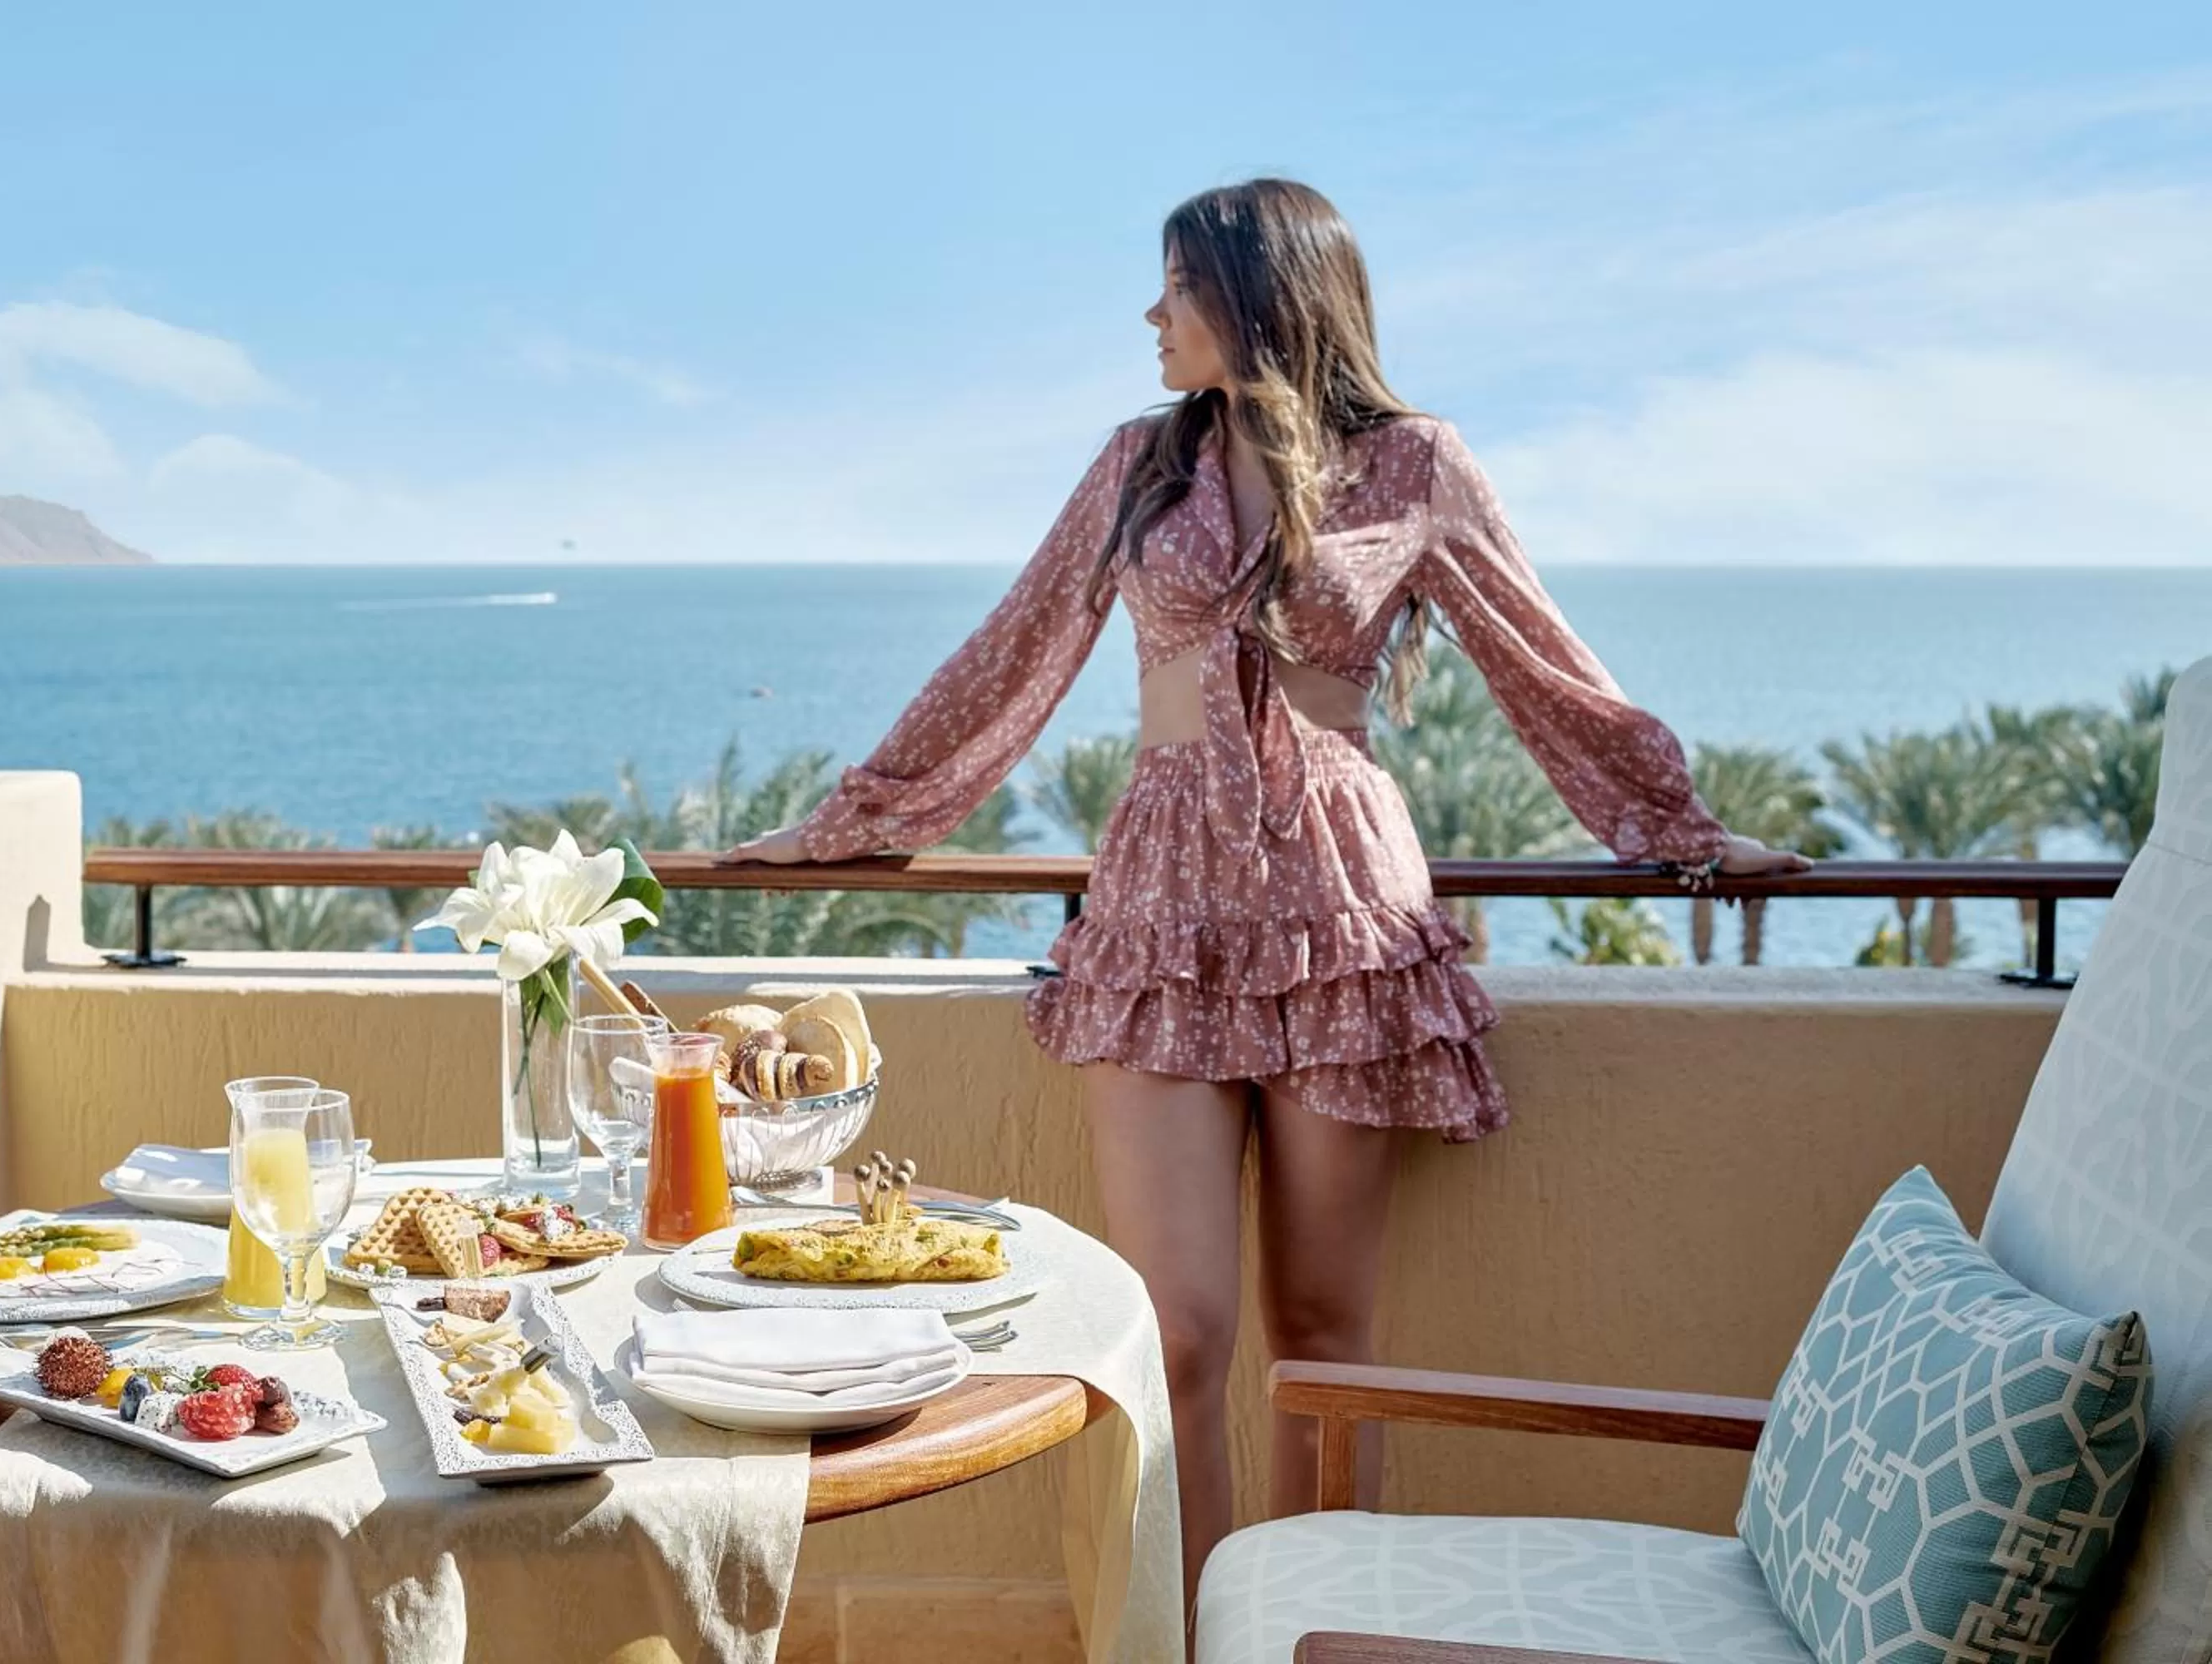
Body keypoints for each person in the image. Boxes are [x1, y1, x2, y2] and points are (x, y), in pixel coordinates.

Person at [722, 177, 1812, 1609]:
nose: (1152, 314)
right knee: (1171, 1330)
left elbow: (1541, 661)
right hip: (1161, 909)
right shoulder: (1138, 462)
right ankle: (1187, 1635)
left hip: (1341, 907)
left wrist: (1677, 829)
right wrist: (858, 819)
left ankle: (1319, 1628)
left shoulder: (1414, 464)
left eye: (1177, 286)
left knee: (1323, 1339)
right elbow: (1016, 651)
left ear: (1262, 296)